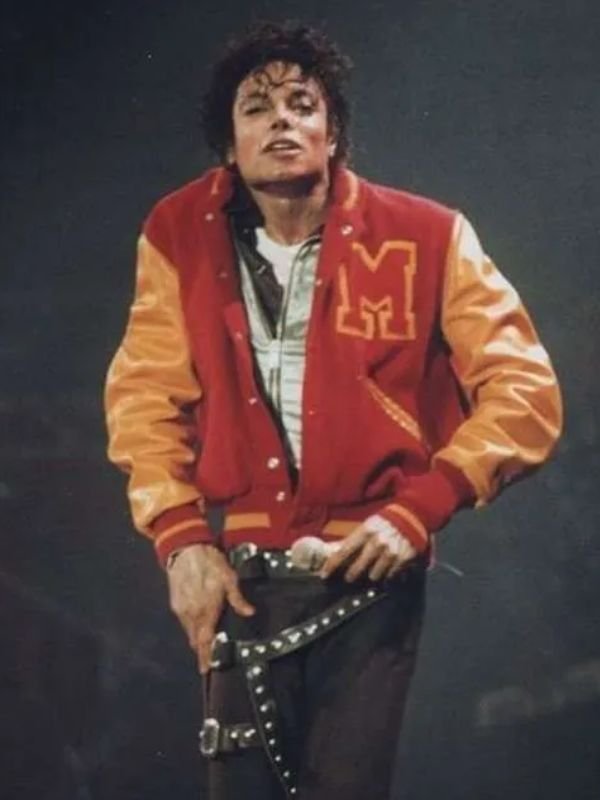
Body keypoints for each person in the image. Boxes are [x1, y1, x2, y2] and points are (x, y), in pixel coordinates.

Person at [104, 21, 562, 800]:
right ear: (228, 145)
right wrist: (180, 542)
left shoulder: (428, 234)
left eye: (301, 103)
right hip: (241, 577)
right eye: (256, 108)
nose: (281, 120)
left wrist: (420, 508)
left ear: (334, 133)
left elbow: (526, 392)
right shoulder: (178, 232)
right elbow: (145, 395)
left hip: (369, 571)